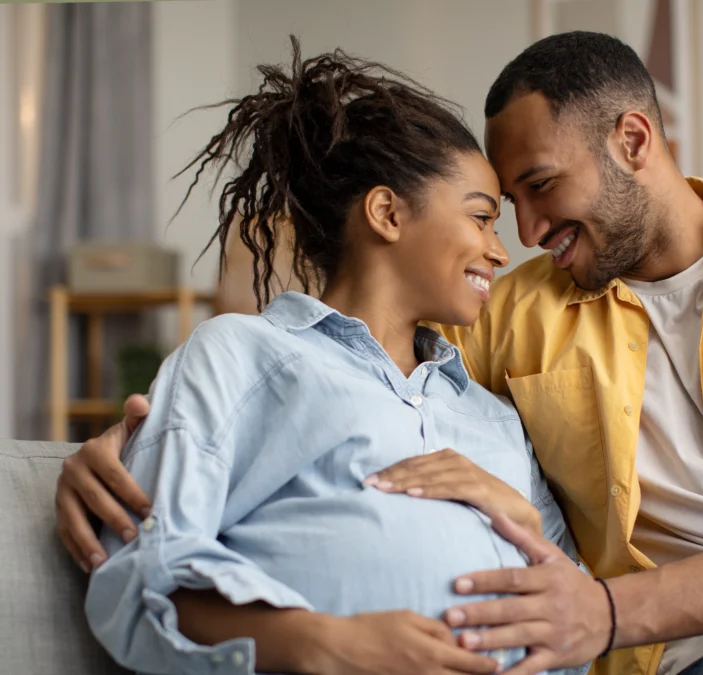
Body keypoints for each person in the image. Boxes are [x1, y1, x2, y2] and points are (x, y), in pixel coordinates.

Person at [58, 31, 703, 675]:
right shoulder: (512, 319)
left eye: (535, 187)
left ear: (633, 139)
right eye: (496, 207)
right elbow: (355, 384)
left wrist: (604, 612)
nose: (520, 232)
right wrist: (125, 444)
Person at [77, 38, 589, 675]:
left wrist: (526, 528)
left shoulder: (492, 416)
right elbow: (146, 573)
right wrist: (330, 644)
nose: (501, 250)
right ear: (386, 213)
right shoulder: (242, 353)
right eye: (482, 219)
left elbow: (582, 625)